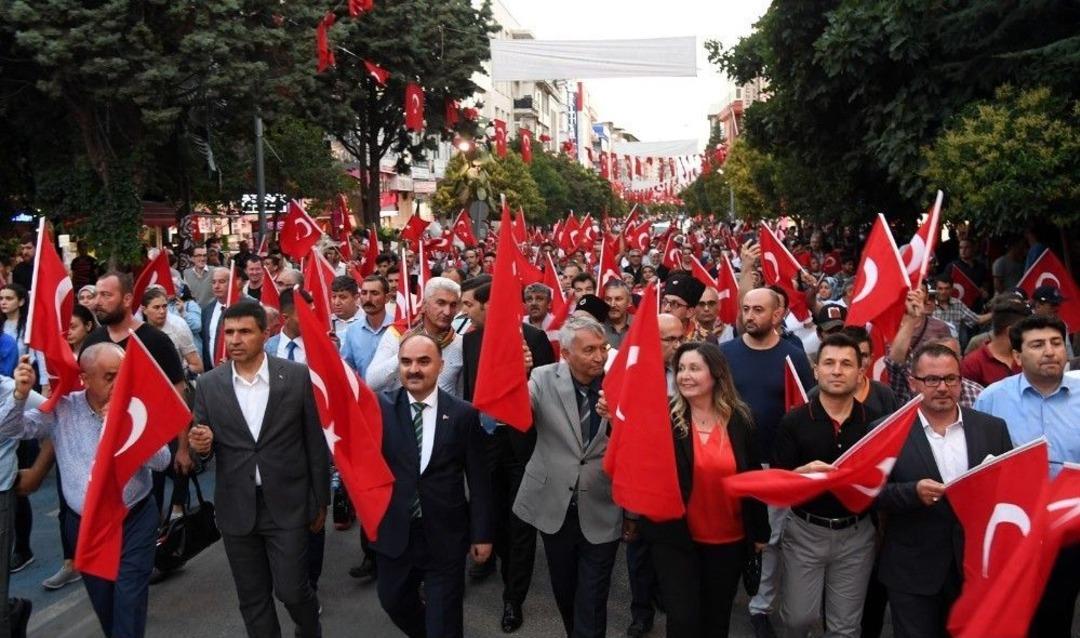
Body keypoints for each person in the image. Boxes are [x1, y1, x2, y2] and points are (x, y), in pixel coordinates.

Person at [1, 345, 170, 637]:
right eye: (109, 377)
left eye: (123, 375)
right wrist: (19, 396)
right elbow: (11, 430)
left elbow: (162, 460)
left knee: (129, 603)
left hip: (134, 520)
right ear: (85, 379)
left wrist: (121, 425)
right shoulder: (63, 408)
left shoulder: (135, 405)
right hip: (87, 527)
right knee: (105, 605)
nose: (119, 383)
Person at [187, 301, 328, 638]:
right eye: (229, 332)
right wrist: (201, 446)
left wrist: (320, 500)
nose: (235, 339)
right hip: (236, 506)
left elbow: (314, 442)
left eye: (245, 331)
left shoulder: (295, 377)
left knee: (293, 590)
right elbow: (201, 445)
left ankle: (310, 629)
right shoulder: (209, 384)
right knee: (252, 599)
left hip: (289, 503)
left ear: (266, 334)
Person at [633, 342, 769, 638]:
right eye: (680, 368)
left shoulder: (741, 419)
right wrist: (612, 418)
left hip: (728, 541)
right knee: (682, 621)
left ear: (716, 373)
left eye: (694, 368)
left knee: (715, 621)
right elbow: (634, 449)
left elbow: (752, 474)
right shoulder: (664, 417)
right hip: (676, 539)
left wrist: (760, 531)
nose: (685, 375)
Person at [877, 343, 1012, 638]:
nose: (942, 387)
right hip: (912, 571)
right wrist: (912, 492)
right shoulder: (885, 432)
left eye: (951, 379)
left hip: (975, 569)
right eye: (932, 380)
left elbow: (1010, 493)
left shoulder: (992, 429)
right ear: (912, 383)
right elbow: (869, 493)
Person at [369, 332, 494, 637]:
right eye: (406, 362)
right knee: (393, 601)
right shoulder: (379, 410)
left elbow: (479, 480)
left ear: (441, 365)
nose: (414, 369)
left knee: (445, 622)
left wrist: (482, 534)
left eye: (423, 361)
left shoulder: (464, 414)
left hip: (445, 535)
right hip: (396, 533)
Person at [513, 316, 622, 638]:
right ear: (565, 353)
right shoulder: (542, 377)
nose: (599, 357)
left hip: (603, 505)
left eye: (603, 348)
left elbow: (640, 446)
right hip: (554, 505)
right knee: (565, 589)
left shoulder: (621, 382)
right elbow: (514, 415)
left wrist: (617, 421)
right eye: (589, 350)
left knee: (592, 598)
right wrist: (514, 376)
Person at [974, 314, 1080, 636]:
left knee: (1059, 615)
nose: (1049, 351)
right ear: (1018, 357)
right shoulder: (992, 398)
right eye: (1037, 345)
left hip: (1072, 531)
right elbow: (978, 464)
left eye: (1056, 343)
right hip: (1015, 530)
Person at [459, 276, 555, 632]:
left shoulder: (533, 339)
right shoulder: (469, 341)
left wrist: (525, 372)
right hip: (485, 443)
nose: (464, 311)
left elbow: (547, 395)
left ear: (489, 304)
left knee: (520, 524)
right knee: (494, 516)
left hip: (521, 445)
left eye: (469, 304)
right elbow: (469, 393)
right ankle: (498, 561)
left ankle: (513, 598)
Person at [720, 287, 814, 637]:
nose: (750, 316)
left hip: (775, 465)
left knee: (769, 540)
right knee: (728, 532)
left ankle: (761, 607)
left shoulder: (794, 357)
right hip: (730, 463)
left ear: (777, 315)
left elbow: (806, 409)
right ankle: (723, 593)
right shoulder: (725, 353)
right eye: (746, 309)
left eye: (758, 309)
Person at [773, 333, 877, 638]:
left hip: (856, 534)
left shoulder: (874, 424)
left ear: (861, 372)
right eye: (829, 363)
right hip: (805, 531)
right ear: (816, 370)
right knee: (797, 619)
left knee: (845, 627)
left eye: (846, 364)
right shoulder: (794, 421)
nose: (837, 371)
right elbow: (777, 483)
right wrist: (800, 474)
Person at [82, 272, 192, 527]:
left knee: (147, 516)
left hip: (149, 446)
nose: (98, 302)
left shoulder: (156, 341)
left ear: (127, 299)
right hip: (105, 447)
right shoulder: (93, 342)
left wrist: (183, 448)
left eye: (106, 295)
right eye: (97, 295)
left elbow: (178, 397)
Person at [366, 277, 464, 397]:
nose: (447, 312)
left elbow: (461, 395)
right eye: (441, 303)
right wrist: (403, 352)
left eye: (453, 305)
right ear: (425, 304)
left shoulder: (460, 344)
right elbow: (372, 382)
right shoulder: (398, 334)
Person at [959, 297, 1028, 387]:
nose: (1029, 335)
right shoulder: (972, 364)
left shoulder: (1027, 357)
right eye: (1025, 330)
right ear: (1010, 331)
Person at [341, 274, 394, 378]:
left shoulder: (398, 329)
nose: (368, 298)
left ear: (387, 298)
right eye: (364, 293)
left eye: (374, 293)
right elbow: (347, 370)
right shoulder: (352, 331)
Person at [141, 287, 203, 374]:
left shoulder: (178, 328)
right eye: (156, 307)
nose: (162, 311)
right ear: (144, 310)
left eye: (164, 306)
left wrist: (180, 371)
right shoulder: (139, 332)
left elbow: (198, 366)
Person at [199, 267, 235, 371]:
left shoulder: (242, 308)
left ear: (231, 283)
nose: (216, 286)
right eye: (214, 282)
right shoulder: (207, 310)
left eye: (222, 282)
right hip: (212, 372)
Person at [264, 289, 308, 364]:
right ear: (285, 317)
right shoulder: (266, 348)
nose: (309, 321)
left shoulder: (319, 348)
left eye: (311, 315)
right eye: (303, 316)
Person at [330, 275, 363, 343]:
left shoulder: (369, 321)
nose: (336, 302)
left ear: (356, 297)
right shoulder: (326, 323)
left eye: (342, 297)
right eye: (334, 297)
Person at [602, 279, 633, 348]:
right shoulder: (596, 327)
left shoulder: (640, 324)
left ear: (629, 301)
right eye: (608, 299)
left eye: (618, 299)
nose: (612, 304)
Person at [183, 243, 215, 308]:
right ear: (192, 258)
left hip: (211, 310)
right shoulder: (186, 273)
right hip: (194, 311)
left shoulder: (215, 271)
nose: (202, 258)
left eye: (204, 255)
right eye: (199, 255)